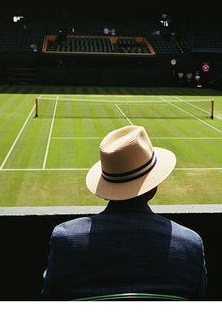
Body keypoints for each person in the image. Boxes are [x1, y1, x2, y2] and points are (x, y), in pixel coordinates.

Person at [41, 125, 207, 300]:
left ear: (107, 189)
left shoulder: (65, 239)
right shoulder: (190, 244)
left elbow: (49, 297)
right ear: (152, 187)